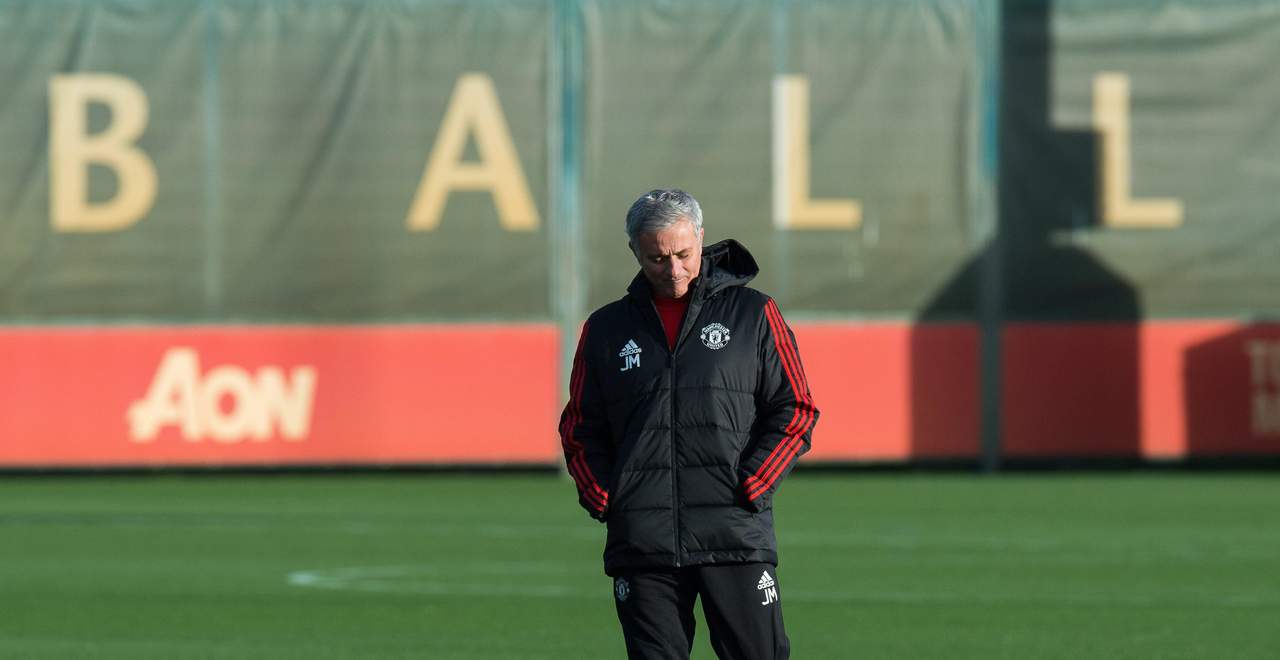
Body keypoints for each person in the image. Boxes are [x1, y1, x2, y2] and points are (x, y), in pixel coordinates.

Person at [559, 189, 818, 660]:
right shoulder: (605, 329)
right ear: (635, 252)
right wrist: (607, 495)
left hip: (734, 534)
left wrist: (755, 483)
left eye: (683, 254)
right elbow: (580, 426)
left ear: (700, 238)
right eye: (657, 258)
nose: (673, 270)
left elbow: (796, 407)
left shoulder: (754, 314)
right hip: (644, 542)